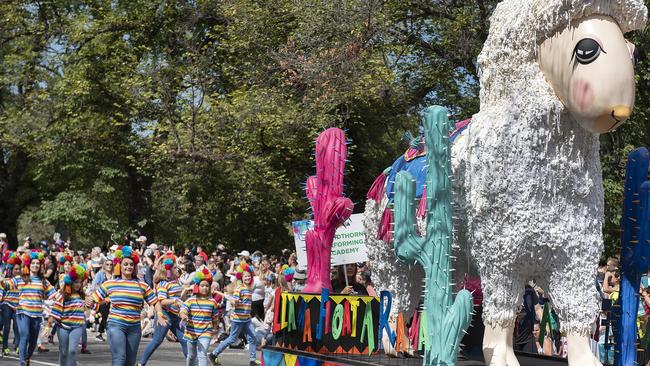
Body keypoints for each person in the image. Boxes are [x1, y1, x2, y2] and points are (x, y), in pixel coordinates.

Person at [86, 245, 167, 366]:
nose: (128, 267)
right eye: (125, 264)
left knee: (130, 362)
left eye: (131, 264)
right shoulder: (110, 283)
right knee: (119, 358)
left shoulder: (142, 285)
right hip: (116, 325)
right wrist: (89, 301)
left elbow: (155, 301)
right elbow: (94, 299)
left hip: (134, 327)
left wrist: (160, 315)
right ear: (119, 266)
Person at [2, 250, 56, 366]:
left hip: (37, 315)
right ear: (28, 265)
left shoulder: (43, 281)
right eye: (32, 263)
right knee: (24, 336)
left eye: (37, 263)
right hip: (23, 313)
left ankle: (27, 358)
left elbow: (54, 295)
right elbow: (6, 285)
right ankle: (22, 363)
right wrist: (2, 281)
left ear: (40, 265)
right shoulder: (20, 278)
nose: (35, 265)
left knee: (32, 342)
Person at [138, 253, 188, 366]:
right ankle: (141, 363)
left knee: (185, 340)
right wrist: (175, 301)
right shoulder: (163, 283)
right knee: (157, 341)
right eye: (175, 267)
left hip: (175, 316)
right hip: (165, 315)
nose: (178, 269)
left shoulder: (176, 282)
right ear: (168, 270)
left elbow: (179, 297)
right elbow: (161, 301)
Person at [209, 263, 259, 366]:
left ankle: (253, 360)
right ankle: (214, 354)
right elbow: (234, 300)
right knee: (232, 338)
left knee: (252, 337)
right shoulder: (239, 288)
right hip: (238, 319)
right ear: (241, 277)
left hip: (246, 319)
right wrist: (234, 301)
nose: (248, 278)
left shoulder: (249, 288)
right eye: (246, 276)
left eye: (249, 276)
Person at [180, 267, 220, 366]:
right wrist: (184, 316)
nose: (205, 288)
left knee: (202, 354)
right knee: (191, 356)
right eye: (202, 286)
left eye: (207, 286)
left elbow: (215, 318)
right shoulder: (191, 300)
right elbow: (183, 310)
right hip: (191, 331)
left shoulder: (213, 302)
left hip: (206, 331)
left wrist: (215, 329)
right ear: (197, 286)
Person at [50, 265, 89, 366]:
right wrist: (48, 325)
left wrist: (91, 305)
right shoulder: (63, 296)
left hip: (77, 327)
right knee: (63, 352)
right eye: (76, 282)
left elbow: (88, 309)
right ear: (70, 282)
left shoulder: (82, 295)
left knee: (72, 351)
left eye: (80, 282)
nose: (78, 284)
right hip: (63, 327)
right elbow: (55, 311)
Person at [1, 252, 21, 356]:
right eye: (15, 269)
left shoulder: (22, 281)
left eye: (19, 269)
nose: (17, 271)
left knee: (17, 327)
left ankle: (17, 347)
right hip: (6, 304)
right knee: (7, 327)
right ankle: (5, 347)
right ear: (11, 270)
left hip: (17, 306)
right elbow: (1, 291)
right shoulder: (6, 280)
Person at [91, 259, 113, 342]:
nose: (109, 266)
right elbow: (95, 286)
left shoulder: (114, 275)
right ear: (104, 265)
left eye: (111, 264)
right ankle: (99, 333)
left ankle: (99, 330)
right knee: (105, 315)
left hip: (111, 298)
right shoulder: (100, 274)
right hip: (102, 298)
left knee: (106, 316)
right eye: (107, 264)